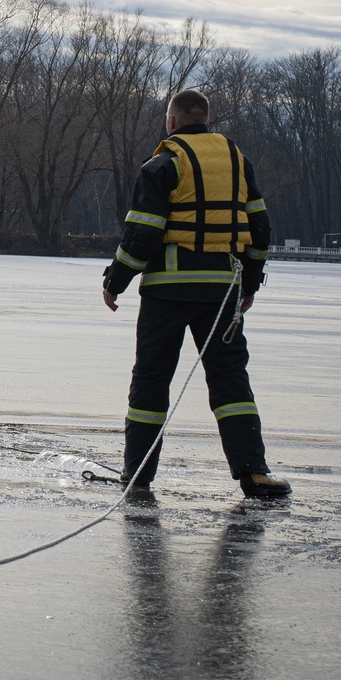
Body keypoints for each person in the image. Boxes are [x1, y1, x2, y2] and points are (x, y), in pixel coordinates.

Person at [102, 89, 291, 499]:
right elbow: (260, 229)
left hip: (166, 295)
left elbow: (143, 232)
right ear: (205, 119)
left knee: (151, 381)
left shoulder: (161, 165)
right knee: (229, 381)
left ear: (171, 122)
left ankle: (137, 474)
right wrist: (250, 282)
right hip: (221, 293)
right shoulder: (238, 164)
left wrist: (115, 280)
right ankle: (253, 473)